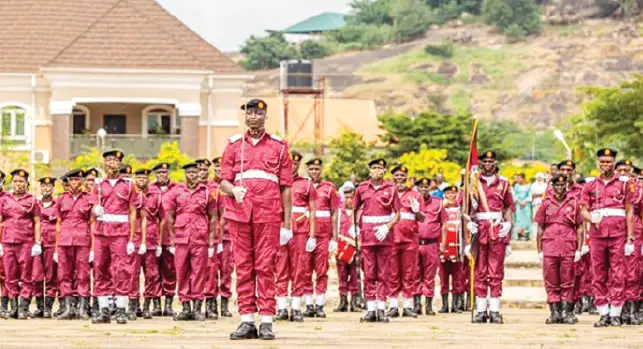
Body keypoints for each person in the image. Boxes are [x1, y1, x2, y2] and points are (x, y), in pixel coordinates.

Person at [220, 98, 293, 340]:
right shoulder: (233, 146)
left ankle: (267, 320)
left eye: (258, 113)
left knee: (265, 266)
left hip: (268, 213)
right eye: (249, 113)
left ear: (265, 117)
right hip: (240, 213)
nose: (253, 117)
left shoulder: (279, 147)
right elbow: (222, 181)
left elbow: (286, 187)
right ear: (245, 117)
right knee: (243, 267)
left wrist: (288, 224)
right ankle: (247, 319)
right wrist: (233, 190)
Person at [579, 148, 636, 327]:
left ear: (614, 162)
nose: (605, 165)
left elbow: (629, 211)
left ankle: (616, 313)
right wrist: (590, 217)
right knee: (598, 274)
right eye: (602, 161)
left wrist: (630, 238)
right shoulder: (590, 185)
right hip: (597, 235)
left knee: (618, 274)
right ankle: (604, 312)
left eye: (609, 161)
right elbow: (582, 209)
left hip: (618, 234)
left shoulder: (625, 184)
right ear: (598, 162)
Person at [466, 151, 514, 324]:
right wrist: (467, 226)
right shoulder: (473, 183)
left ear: (495, 163)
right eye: (484, 161)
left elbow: (508, 206)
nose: (488, 164)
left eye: (491, 161)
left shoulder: (504, 183)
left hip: (496, 230)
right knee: (479, 271)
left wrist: (508, 226)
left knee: (496, 271)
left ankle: (494, 310)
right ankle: (480, 310)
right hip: (478, 230)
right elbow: (463, 208)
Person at [166, 162, 218, 322]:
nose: (193, 176)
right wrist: (172, 241)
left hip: (200, 239)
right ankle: (185, 307)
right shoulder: (176, 192)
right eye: (190, 173)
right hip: (181, 238)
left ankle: (197, 308)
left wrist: (211, 243)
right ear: (185, 175)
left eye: (195, 173)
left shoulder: (207, 192)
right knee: (181, 272)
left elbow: (213, 217)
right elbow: (169, 217)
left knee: (199, 273)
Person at [91, 150, 137, 324]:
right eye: (109, 160)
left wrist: (132, 239)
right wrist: (96, 209)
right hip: (102, 233)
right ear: (104, 164)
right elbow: (93, 205)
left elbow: (133, 212)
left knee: (122, 270)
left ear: (120, 164)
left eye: (115, 161)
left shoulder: (129, 185)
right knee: (100, 268)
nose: (112, 163)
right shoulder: (97, 185)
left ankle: (121, 309)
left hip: (120, 233)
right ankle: (103, 309)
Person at [354, 158, 401, 323]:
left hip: (384, 236)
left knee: (384, 273)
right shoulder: (361, 189)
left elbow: (397, 213)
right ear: (369, 170)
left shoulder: (392, 189)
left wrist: (388, 226)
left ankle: (381, 308)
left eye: (380, 168)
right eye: (374, 167)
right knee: (369, 273)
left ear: (385, 171)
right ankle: (371, 308)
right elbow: (354, 210)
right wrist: (356, 230)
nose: (377, 170)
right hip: (367, 237)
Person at [535, 174, 583, 324]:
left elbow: (580, 227)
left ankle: (568, 312)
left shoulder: (574, 203)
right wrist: (539, 250)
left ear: (567, 186)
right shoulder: (545, 204)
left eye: (563, 185)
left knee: (568, 280)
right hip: (550, 247)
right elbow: (540, 228)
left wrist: (579, 249)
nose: (560, 188)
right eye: (557, 185)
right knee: (551, 281)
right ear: (552, 186)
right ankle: (555, 312)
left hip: (568, 246)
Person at [275, 151, 316, 322]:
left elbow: (313, 210)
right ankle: (282, 307)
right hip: (280, 229)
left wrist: (312, 236)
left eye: (295, 164)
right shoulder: (276, 182)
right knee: (280, 268)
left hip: (299, 230)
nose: (292, 166)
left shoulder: (306, 184)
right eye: (290, 163)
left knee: (300, 269)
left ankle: (297, 306)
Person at [0, 169, 41, 319]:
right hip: (7, 241)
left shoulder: (32, 200)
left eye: (21, 182)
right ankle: (13, 308)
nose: (18, 184)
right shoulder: (4, 199)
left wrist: (37, 242)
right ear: (12, 183)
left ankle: (24, 308)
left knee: (26, 276)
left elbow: (37, 221)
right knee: (9, 276)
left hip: (25, 242)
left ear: (26, 183)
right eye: (16, 181)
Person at [54, 169, 95, 320]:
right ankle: (68, 308)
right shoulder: (61, 198)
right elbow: (58, 223)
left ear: (82, 181)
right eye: (72, 180)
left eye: (77, 180)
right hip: (64, 240)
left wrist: (93, 247)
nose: (75, 183)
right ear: (68, 182)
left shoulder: (89, 198)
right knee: (64, 274)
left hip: (83, 240)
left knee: (83, 274)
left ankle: (83, 307)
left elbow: (92, 223)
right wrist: (56, 248)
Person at [301, 158, 338, 318]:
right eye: (311, 169)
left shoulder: (329, 188)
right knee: (305, 270)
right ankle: (309, 304)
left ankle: (320, 305)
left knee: (322, 270)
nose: (314, 172)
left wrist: (334, 239)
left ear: (321, 170)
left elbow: (335, 213)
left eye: (317, 169)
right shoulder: (302, 186)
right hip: (305, 234)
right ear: (307, 170)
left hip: (323, 235)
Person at [387, 165, 423, 318]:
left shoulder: (415, 195)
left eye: (403, 175)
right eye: (397, 175)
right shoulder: (387, 193)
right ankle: (393, 305)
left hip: (410, 240)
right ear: (393, 177)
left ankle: (408, 306)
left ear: (407, 177)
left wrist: (417, 211)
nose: (400, 178)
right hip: (391, 239)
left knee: (409, 273)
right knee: (392, 273)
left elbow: (423, 218)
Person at [128, 168, 163, 320]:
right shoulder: (131, 194)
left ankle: (147, 305)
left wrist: (160, 244)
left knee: (151, 275)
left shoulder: (156, 196)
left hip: (150, 241)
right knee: (132, 274)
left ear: (149, 179)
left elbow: (162, 220)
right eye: (139, 177)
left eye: (144, 177)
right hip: (134, 240)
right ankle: (133, 305)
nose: (142, 179)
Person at [614, 159, 642, 325]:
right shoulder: (610, 188)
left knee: (633, 272)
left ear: (632, 171)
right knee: (616, 272)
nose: (623, 173)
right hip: (615, 231)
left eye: (627, 170)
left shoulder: (638, 188)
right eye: (621, 170)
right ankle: (619, 309)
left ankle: (633, 309)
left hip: (636, 232)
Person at [150, 162, 179, 317]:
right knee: (153, 271)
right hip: (152, 236)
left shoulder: (177, 188)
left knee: (169, 270)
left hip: (170, 235)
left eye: (164, 172)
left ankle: (168, 304)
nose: (162, 175)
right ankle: (155, 303)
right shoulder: (150, 188)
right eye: (159, 172)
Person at [415, 177, 443, 316]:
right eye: (421, 187)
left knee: (430, 275)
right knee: (415, 274)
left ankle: (428, 305)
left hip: (431, 244)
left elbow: (443, 223)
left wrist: (442, 243)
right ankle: (416, 305)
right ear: (417, 188)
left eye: (426, 187)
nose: (424, 189)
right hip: (415, 243)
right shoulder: (412, 202)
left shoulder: (438, 203)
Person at [211, 156, 233, 318]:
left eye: (221, 167)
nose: (219, 169)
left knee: (226, 270)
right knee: (210, 270)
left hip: (227, 235)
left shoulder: (232, 186)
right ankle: (211, 303)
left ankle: (224, 303)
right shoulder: (207, 186)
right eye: (216, 167)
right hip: (211, 235)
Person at [439, 185, 466, 314]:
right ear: (444, 195)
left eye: (453, 194)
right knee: (443, 278)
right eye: (448, 193)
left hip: (458, 248)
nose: (451, 196)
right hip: (443, 248)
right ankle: (444, 305)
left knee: (458, 278)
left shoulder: (461, 210)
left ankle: (456, 304)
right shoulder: (440, 208)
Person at [333, 186, 360, 313]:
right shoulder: (339, 212)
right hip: (342, 247)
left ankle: (355, 302)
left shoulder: (359, 212)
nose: (349, 200)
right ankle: (343, 302)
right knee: (342, 275)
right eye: (347, 197)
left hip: (356, 248)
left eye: (352, 197)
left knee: (355, 276)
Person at [512, 173, 532, 241]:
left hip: (526, 205)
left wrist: (525, 201)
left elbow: (530, 195)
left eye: (519, 178)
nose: (518, 179)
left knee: (527, 218)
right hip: (518, 204)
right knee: (519, 219)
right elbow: (515, 195)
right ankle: (518, 234)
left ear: (523, 178)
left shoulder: (528, 186)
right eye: (517, 178)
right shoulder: (516, 186)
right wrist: (519, 201)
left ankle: (527, 234)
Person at [530, 173, 548, 237]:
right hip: (535, 203)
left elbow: (546, 194)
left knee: (544, 219)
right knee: (535, 219)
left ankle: (544, 234)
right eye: (538, 177)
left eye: (540, 177)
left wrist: (538, 195)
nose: (539, 179)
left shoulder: (545, 185)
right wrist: (540, 194)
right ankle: (534, 234)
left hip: (544, 204)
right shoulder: (533, 185)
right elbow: (532, 195)